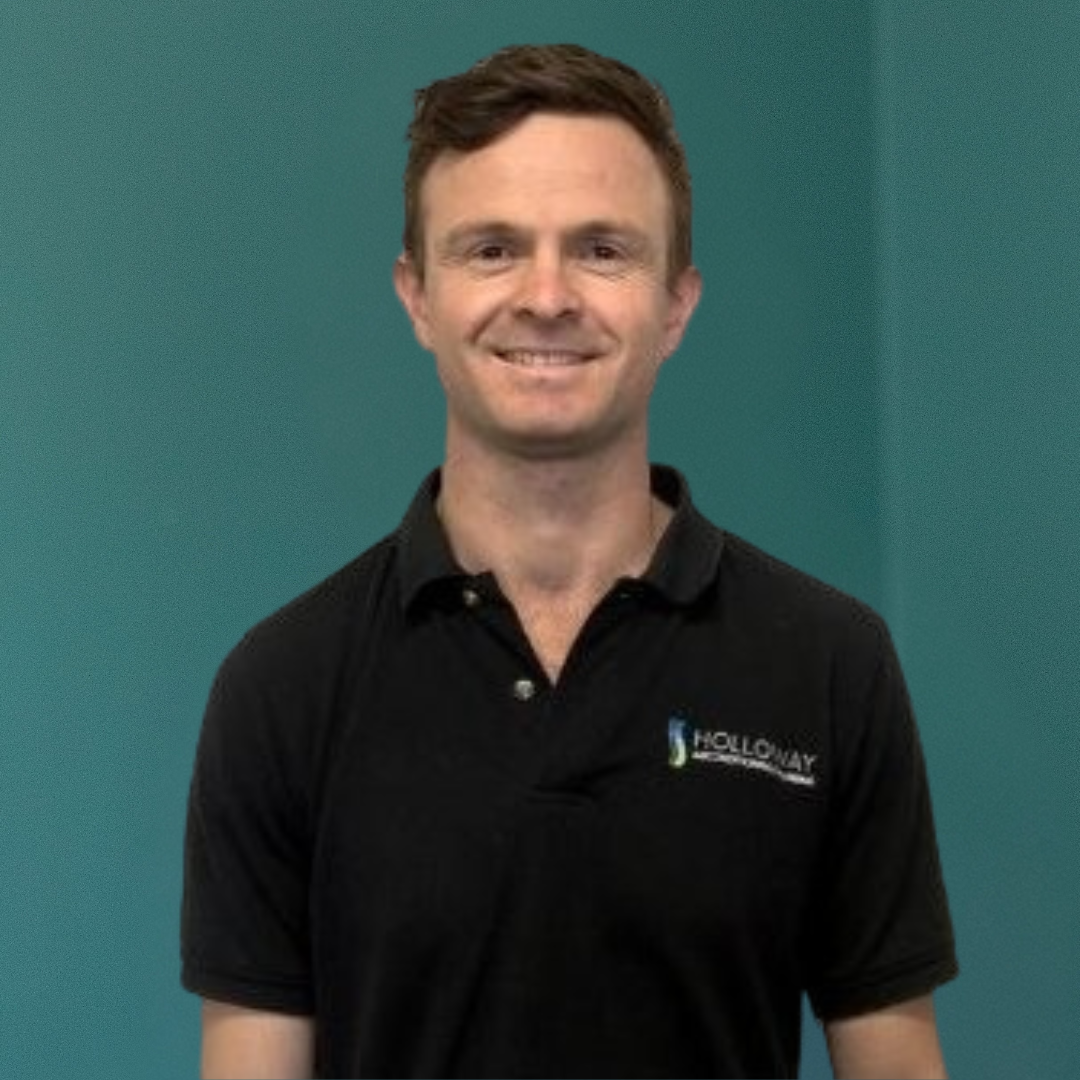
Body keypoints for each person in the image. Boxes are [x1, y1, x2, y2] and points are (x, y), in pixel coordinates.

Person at [182, 43, 958, 1079]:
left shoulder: (828, 665)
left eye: (602, 250)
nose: (547, 297)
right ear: (416, 295)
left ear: (676, 302)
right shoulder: (281, 688)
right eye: (492, 249)